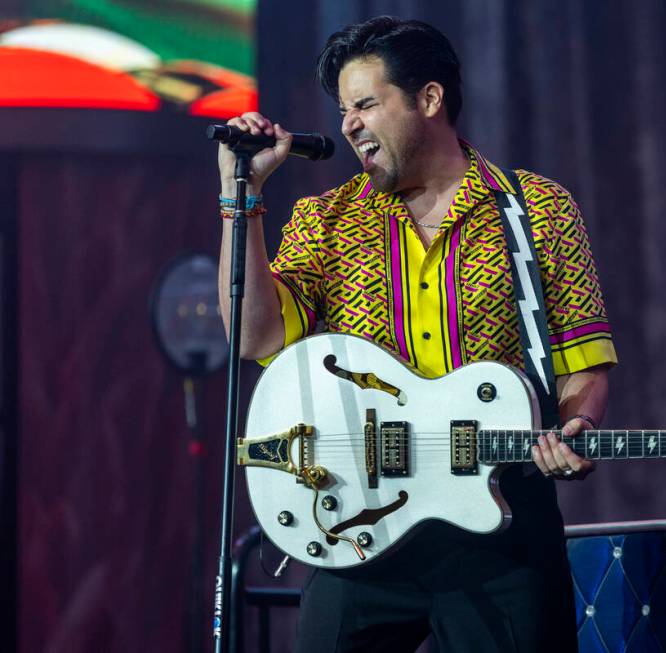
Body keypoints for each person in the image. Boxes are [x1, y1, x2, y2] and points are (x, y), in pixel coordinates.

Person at [215, 16, 617, 652]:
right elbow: (253, 339)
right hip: (359, 525)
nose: (348, 123)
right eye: (343, 110)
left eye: (366, 104)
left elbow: (582, 361)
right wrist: (243, 198)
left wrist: (577, 427)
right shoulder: (327, 219)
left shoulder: (537, 210)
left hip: (501, 524)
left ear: (429, 99)